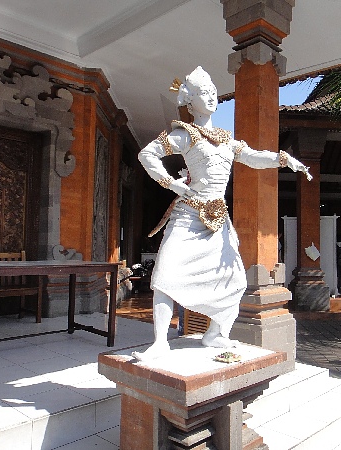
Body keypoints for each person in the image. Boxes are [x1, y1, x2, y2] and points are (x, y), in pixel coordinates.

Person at [133, 66, 311, 361]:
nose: (212, 97)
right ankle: (160, 342)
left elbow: (254, 157)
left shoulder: (227, 140)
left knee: (234, 279)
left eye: (214, 92)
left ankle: (215, 333)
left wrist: (284, 159)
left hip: (218, 219)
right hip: (188, 215)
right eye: (204, 93)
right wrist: (171, 183)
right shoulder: (184, 134)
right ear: (190, 102)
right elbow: (146, 154)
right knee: (164, 274)